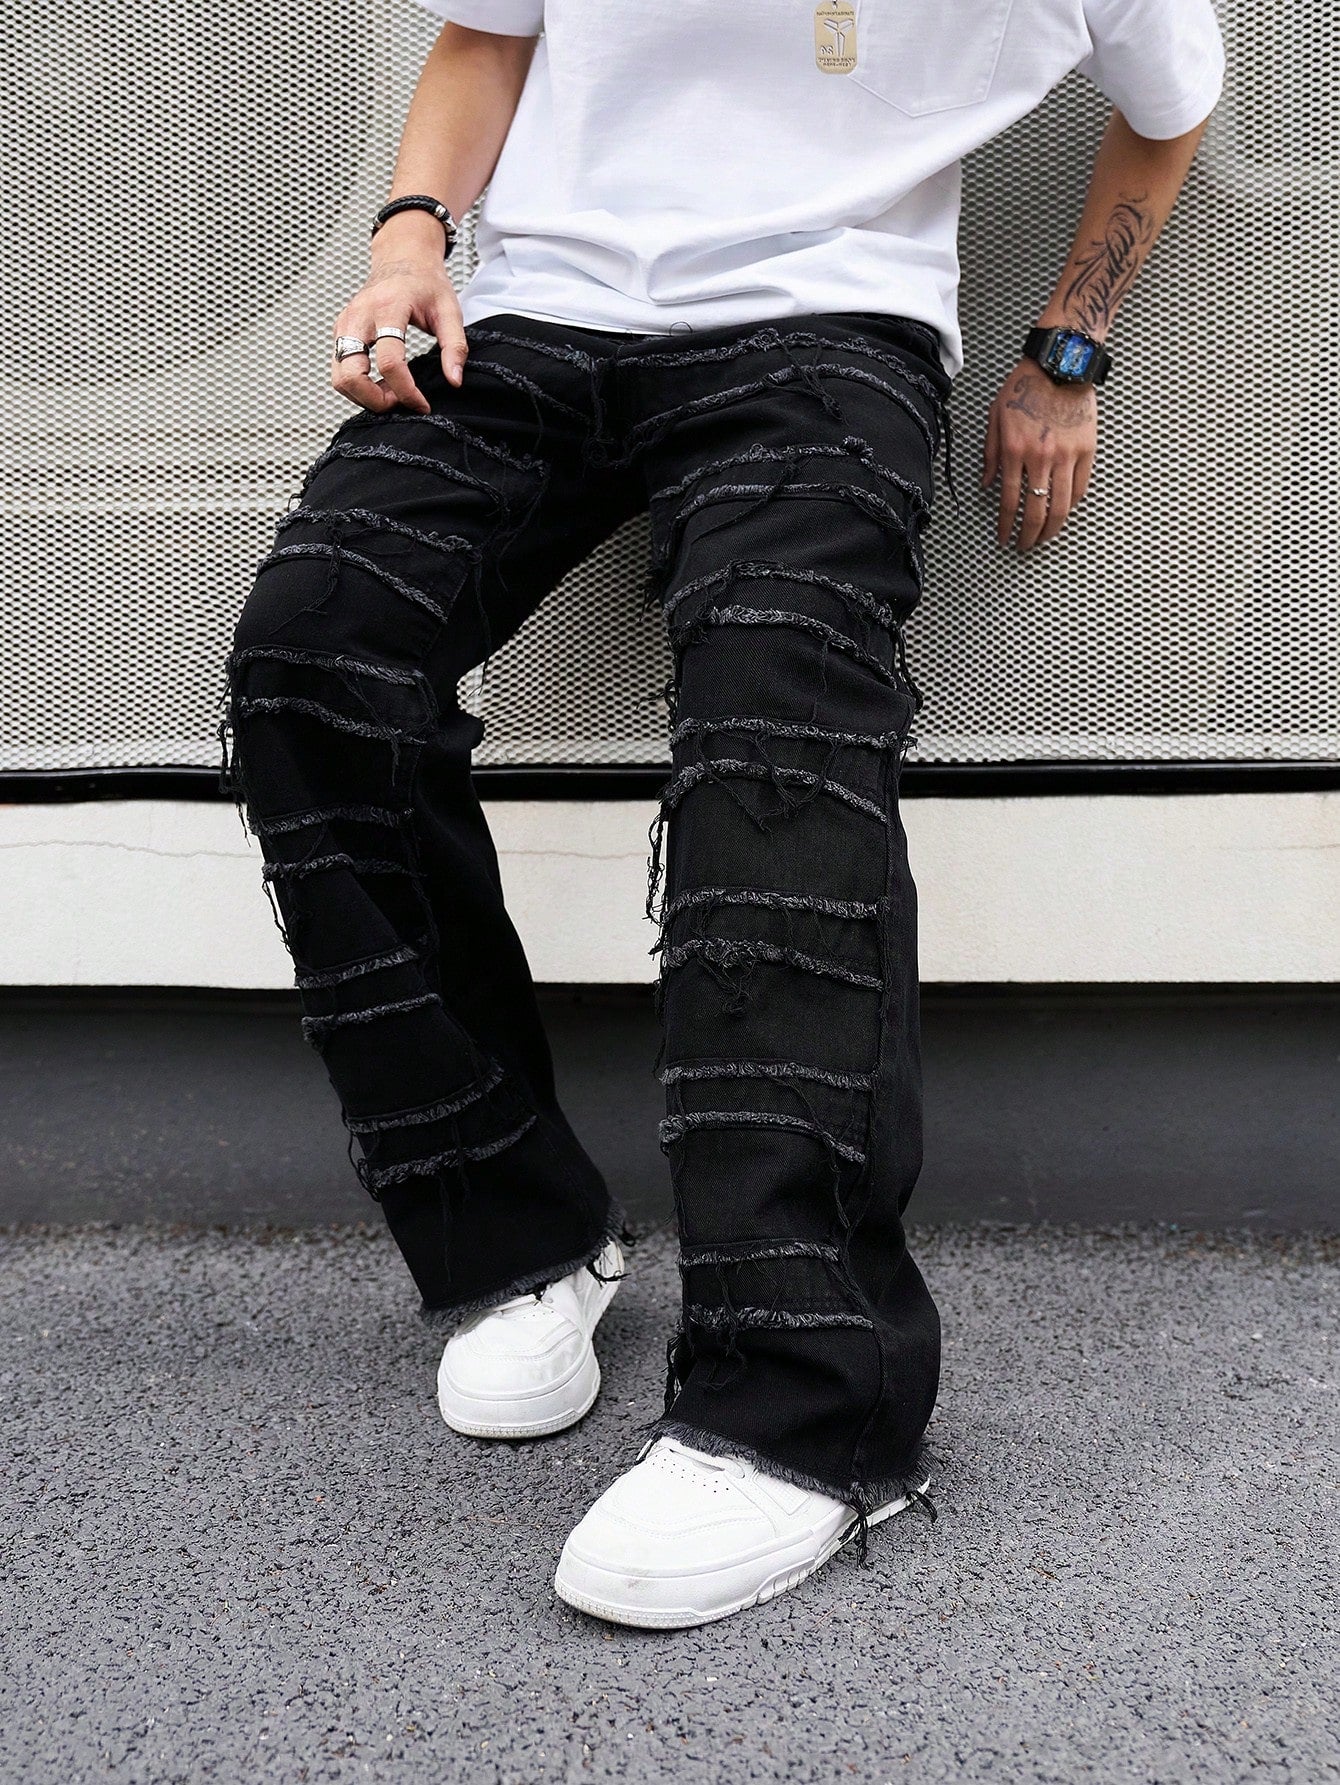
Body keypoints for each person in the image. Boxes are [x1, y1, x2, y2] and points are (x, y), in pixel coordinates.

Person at [222, 0, 1225, 1629]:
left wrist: (1066, 349)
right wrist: (411, 237)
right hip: (535, 321)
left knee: (776, 737)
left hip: (826, 330)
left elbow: (1170, 107)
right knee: (311, 664)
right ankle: (516, 1234)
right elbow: (485, 39)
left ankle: (807, 1412)